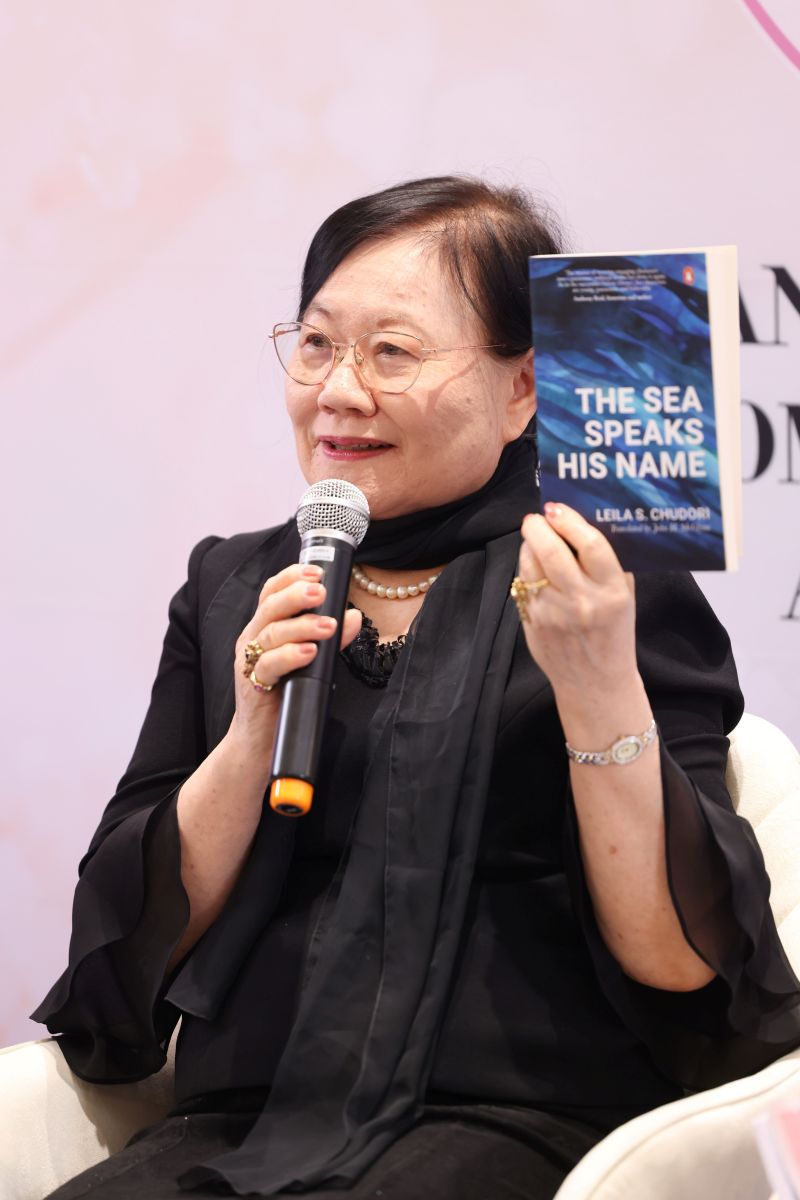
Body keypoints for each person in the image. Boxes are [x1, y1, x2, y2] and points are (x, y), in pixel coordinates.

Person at [34, 176, 800, 1200]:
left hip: (515, 1119)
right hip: (238, 1125)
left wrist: (596, 684)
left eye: (392, 352)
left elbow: (677, 959)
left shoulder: (603, 584)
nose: (339, 391)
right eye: (316, 344)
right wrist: (252, 732)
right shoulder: (233, 586)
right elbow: (132, 947)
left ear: (523, 387)